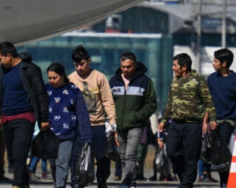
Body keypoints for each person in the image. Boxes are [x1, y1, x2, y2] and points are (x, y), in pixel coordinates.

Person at [0, 42, 49, 188]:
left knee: (19, 154)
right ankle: (24, 184)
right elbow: (0, 94)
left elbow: (41, 95)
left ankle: (17, 185)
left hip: (24, 118)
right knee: (13, 158)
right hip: (7, 119)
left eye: (0, 59)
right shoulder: (3, 70)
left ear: (8, 56)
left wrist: (44, 119)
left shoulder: (30, 69)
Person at [158, 53, 215, 188]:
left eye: (175, 65)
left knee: (191, 155)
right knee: (171, 151)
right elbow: (170, 102)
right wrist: (164, 120)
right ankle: (183, 175)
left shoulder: (198, 80)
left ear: (184, 67)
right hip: (176, 124)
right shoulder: (174, 81)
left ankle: (187, 182)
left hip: (193, 125)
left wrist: (212, 119)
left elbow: (208, 100)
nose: (173, 68)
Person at [68, 45, 116, 188]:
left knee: (102, 157)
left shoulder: (99, 77)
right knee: (76, 157)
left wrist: (112, 121)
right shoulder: (71, 79)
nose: (80, 68)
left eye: (82, 64)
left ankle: (102, 181)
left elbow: (107, 100)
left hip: (97, 124)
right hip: (79, 127)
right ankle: (76, 182)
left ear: (89, 61)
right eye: (76, 65)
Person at [109, 52, 158, 188]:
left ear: (135, 66)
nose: (125, 70)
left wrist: (138, 116)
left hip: (136, 125)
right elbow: (109, 102)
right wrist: (111, 120)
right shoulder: (113, 81)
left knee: (131, 154)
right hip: (119, 125)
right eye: (123, 67)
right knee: (123, 155)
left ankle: (126, 182)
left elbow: (152, 104)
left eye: (129, 67)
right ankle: (131, 181)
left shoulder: (145, 81)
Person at [206, 48, 236, 188]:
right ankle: (223, 178)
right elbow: (208, 102)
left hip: (228, 120)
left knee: (221, 148)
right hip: (213, 120)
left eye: (216, 61)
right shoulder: (211, 78)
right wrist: (205, 121)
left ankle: (225, 183)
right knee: (215, 152)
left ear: (224, 63)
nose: (213, 63)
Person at [46, 63, 92, 188]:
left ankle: (59, 186)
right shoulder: (45, 90)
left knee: (62, 162)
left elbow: (82, 113)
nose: (52, 81)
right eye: (49, 78)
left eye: (54, 78)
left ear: (62, 76)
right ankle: (57, 183)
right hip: (49, 134)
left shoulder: (73, 91)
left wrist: (86, 136)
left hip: (67, 134)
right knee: (54, 164)